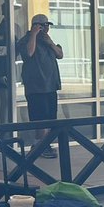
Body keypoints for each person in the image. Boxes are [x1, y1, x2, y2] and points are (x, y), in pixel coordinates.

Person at [18, 13, 63, 158]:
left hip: (51, 86)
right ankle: (40, 145)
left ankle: (46, 144)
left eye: (48, 26)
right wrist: (33, 35)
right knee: (39, 119)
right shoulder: (26, 40)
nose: (46, 28)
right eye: (44, 25)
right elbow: (28, 53)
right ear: (36, 25)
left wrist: (50, 42)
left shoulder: (48, 41)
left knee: (50, 118)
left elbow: (60, 54)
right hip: (36, 87)